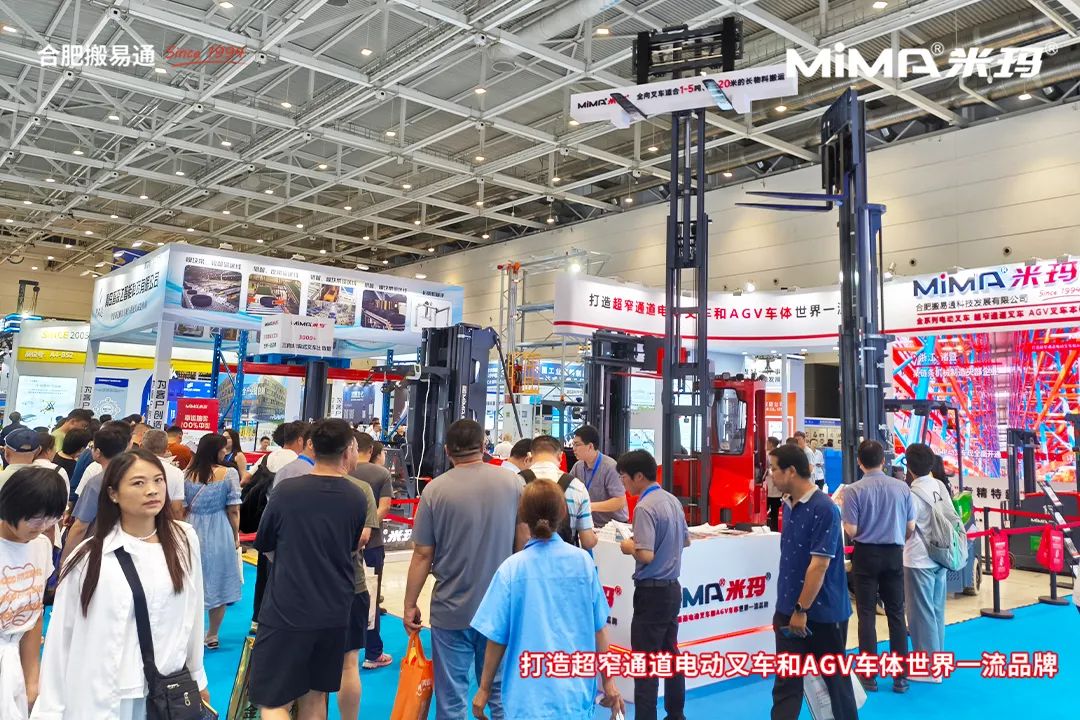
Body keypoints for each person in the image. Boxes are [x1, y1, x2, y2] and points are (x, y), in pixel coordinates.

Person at [34, 449, 208, 718]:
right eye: (138, 483)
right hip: (103, 694)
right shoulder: (89, 557)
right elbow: (61, 638)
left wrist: (197, 677)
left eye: (158, 480)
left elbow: (192, 613)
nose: (152, 490)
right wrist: (50, 710)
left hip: (165, 693)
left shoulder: (183, 540)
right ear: (113, 493)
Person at [471, 480, 624, 720]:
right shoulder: (583, 563)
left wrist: (484, 689)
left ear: (523, 515)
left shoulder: (511, 569)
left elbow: (496, 638)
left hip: (525, 697)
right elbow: (599, 629)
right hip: (574, 694)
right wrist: (609, 681)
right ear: (562, 513)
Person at [404, 419, 522, 720]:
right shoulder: (513, 483)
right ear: (483, 446)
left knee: (451, 698)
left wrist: (409, 603)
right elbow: (523, 545)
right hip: (500, 608)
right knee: (499, 694)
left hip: (451, 608)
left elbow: (422, 554)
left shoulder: (434, 490)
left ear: (447, 450)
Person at [250, 418, 366, 720]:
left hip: (286, 608)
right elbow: (351, 546)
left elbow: (265, 543)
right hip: (334, 609)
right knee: (315, 698)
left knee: (273, 701)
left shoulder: (286, 491)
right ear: (347, 451)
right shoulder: (356, 496)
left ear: (311, 446)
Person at [767, 444, 857, 720]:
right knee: (786, 684)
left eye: (774, 469)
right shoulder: (788, 505)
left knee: (836, 681)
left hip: (822, 613)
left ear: (791, 471)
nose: (770, 475)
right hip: (788, 610)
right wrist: (789, 609)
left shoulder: (824, 509)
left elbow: (819, 565)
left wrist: (801, 609)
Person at [616, 449, 689, 720]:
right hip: (672, 589)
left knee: (645, 665)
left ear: (638, 476)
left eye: (624, 477)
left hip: (651, 593)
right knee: (671, 655)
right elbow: (686, 541)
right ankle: (676, 714)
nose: (623, 483)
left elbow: (645, 555)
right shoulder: (672, 500)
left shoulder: (644, 507)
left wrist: (628, 546)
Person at [842, 439, 915, 694]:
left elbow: (851, 530)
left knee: (866, 614)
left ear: (859, 462)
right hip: (894, 554)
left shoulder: (853, 491)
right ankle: (900, 677)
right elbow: (910, 527)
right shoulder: (902, 488)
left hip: (865, 555)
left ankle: (869, 676)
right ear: (883, 461)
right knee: (896, 613)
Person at [0, 467, 67, 718]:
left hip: (13, 663)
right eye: (36, 519)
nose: (43, 527)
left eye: (51, 519)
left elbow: (34, 615)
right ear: (10, 507)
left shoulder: (40, 546)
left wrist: (32, 680)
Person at [183, 433, 243, 649]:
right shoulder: (229, 473)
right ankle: (212, 635)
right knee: (219, 580)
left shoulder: (186, 474)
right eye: (223, 448)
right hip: (219, 529)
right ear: (216, 450)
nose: (225, 452)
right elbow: (233, 509)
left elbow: (182, 507)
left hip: (191, 529)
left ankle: (191, 633)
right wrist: (235, 535)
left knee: (191, 581)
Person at [339, 431, 379, 720]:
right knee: (349, 663)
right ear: (347, 451)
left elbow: (270, 545)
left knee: (309, 665)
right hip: (351, 583)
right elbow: (364, 537)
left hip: (306, 589)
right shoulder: (361, 489)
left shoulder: (292, 487)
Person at [61, 422, 134, 568]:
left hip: (98, 550)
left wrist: (65, 561)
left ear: (98, 452)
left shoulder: (97, 482)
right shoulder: (134, 476)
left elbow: (80, 527)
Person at [903, 443, 949, 678]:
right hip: (941, 555)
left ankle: (929, 669)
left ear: (909, 467)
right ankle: (938, 661)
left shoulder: (912, 494)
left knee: (920, 616)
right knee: (936, 611)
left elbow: (908, 528)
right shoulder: (939, 486)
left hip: (918, 558)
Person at [351, 435, 395, 670]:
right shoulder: (381, 474)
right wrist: (367, 527)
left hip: (342, 543)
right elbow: (384, 507)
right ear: (371, 450)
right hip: (372, 544)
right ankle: (373, 653)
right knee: (371, 597)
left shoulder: (343, 470)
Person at [522, 435, 597, 550]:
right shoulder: (577, 487)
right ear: (560, 456)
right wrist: (595, 537)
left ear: (529, 456)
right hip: (565, 559)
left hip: (524, 558)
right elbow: (588, 542)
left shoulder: (516, 482)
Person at [570, 425, 627, 528]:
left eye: (577, 445)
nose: (574, 449)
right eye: (573, 444)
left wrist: (589, 506)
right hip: (590, 523)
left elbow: (620, 501)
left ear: (590, 446)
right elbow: (568, 488)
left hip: (614, 526)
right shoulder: (578, 467)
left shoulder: (610, 467)